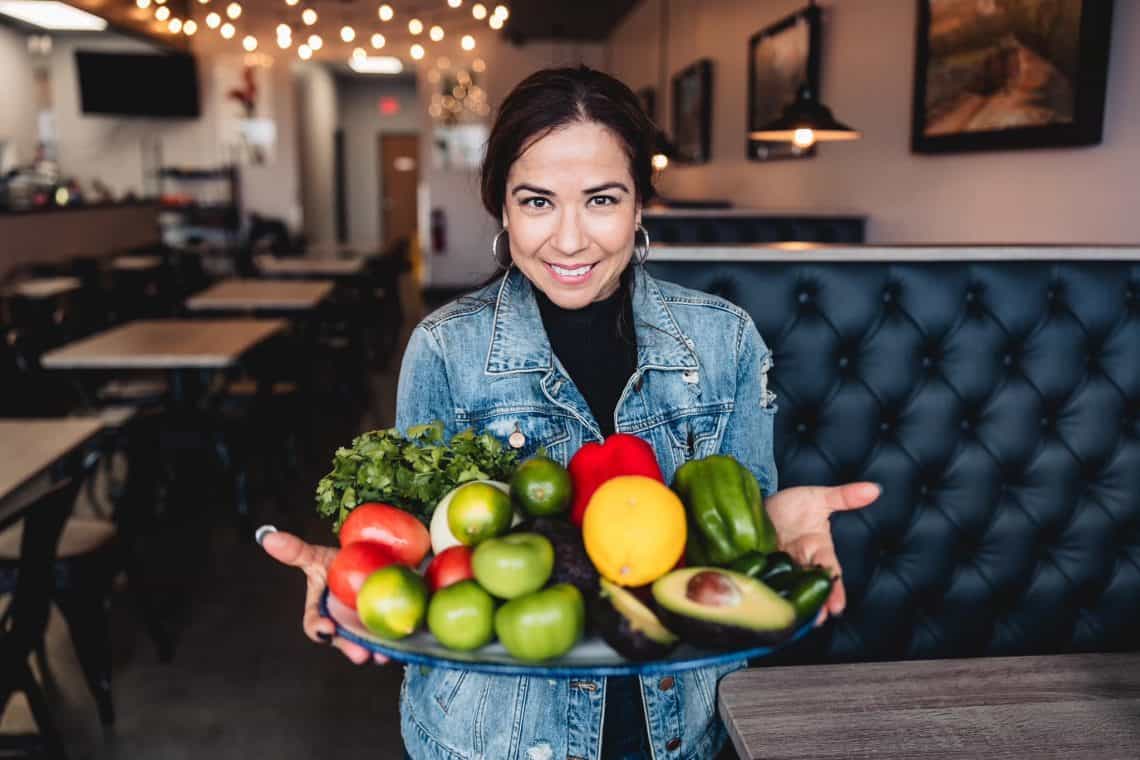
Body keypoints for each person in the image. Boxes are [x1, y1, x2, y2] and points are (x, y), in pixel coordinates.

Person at [260, 65, 880, 760]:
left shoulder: (724, 340)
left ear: (641, 204)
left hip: (684, 733)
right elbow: (419, 545)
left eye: (602, 199)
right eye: (537, 202)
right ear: (501, 207)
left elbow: (731, 553)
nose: (570, 239)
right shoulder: (444, 348)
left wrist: (775, 523)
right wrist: (359, 574)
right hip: (491, 741)